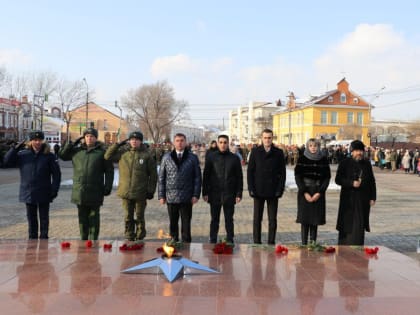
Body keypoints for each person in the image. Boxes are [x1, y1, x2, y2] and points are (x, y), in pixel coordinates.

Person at [3, 131, 61, 239]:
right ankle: (32, 240)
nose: (37, 142)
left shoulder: (49, 156)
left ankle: (44, 240)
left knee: (44, 218)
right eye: (35, 140)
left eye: (40, 140)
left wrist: (54, 190)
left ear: (43, 141)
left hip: (44, 191)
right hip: (28, 191)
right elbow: (6, 161)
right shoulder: (23, 154)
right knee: (31, 218)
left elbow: (57, 174)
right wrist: (14, 149)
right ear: (31, 141)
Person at [59, 128, 114, 241]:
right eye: (87, 136)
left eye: (92, 136)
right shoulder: (77, 151)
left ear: (96, 138)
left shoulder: (102, 152)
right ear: (83, 138)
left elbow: (109, 170)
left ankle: (93, 239)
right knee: (82, 218)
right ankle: (83, 239)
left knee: (94, 217)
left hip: (95, 189)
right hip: (80, 190)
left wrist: (108, 186)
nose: (89, 138)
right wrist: (72, 143)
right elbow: (63, 156)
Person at [104, 131, 157, 243]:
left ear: (140, 141)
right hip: (126, 191)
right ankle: (129, 236)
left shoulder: (147, 155)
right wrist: (117, 144)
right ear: (129, 141)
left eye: (137, 139)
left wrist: (151, 190)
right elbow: (107, 156)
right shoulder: (123, 153)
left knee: (139, 216)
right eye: (132, 139)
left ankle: (140, 237)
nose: (134, 141)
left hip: (140, 193)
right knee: (128, 216)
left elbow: (153, 175)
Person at [158, 133, 201, 243]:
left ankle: (186, 246)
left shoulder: (192, 158)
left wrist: (196, 195)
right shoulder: (166, 157)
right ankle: (173, 243)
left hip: (187, 196)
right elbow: (161, 177)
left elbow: (197, 177)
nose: (180, 143)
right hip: (171, 196)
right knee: (173, 223)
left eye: (182, 140)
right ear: (173, 142)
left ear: (185, 142)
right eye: (177, 140)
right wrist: (161, 195)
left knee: (186, 223)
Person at [247, 128, 286, 244]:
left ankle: (271, 242)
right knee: (257, 219)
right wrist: (251, 189)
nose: (267, 140)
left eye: (269, 138)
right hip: (258, 190)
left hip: (273, 191)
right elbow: (250, 172)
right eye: (265, 138)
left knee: (272, 220)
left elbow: (282, 173)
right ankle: (257, 242)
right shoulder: (255, 152)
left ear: (272, 138)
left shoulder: (278, 152)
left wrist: (280, 189)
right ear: (261, 138)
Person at [202, 134, 243, 243]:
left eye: (225, 142)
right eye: (221, 142)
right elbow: (206, 175)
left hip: (230, 194)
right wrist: (205, 192)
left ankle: (230, 239)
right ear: (217, 143)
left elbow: (239, 177)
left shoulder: (234, 158)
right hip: (214, 194)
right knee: (214, 219)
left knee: (229, 219)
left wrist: (239, 193)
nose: (223, 145)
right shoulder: (211, 157)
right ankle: (213, 238)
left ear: (228, 143)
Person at [335, 140, 376, 245]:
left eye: (361, 150)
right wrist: (351, 183)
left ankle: (358, 247)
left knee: (359, 225)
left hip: (363, 199)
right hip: (348, 199)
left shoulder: (366, 164)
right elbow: (338, 179)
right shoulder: (344, 163)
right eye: (357, 150)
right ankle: (344, 248)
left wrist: (373, 197)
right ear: (352, 151)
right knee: (346, 224)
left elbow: (372, 181)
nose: (359, 153)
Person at [294, 138, 331, 245]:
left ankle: (313, 243)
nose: (313, 148)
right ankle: (304, 243)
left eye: (315, 146)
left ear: (318, 147)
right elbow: (298, 177)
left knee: (315, 220)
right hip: (304, 191)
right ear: (307, 147)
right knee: (305, 219)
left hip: (318, 191)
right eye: (310, 146)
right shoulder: (302, 159)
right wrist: (304, 192)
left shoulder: (323, 160)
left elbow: (327, 178)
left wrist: (320, 192)